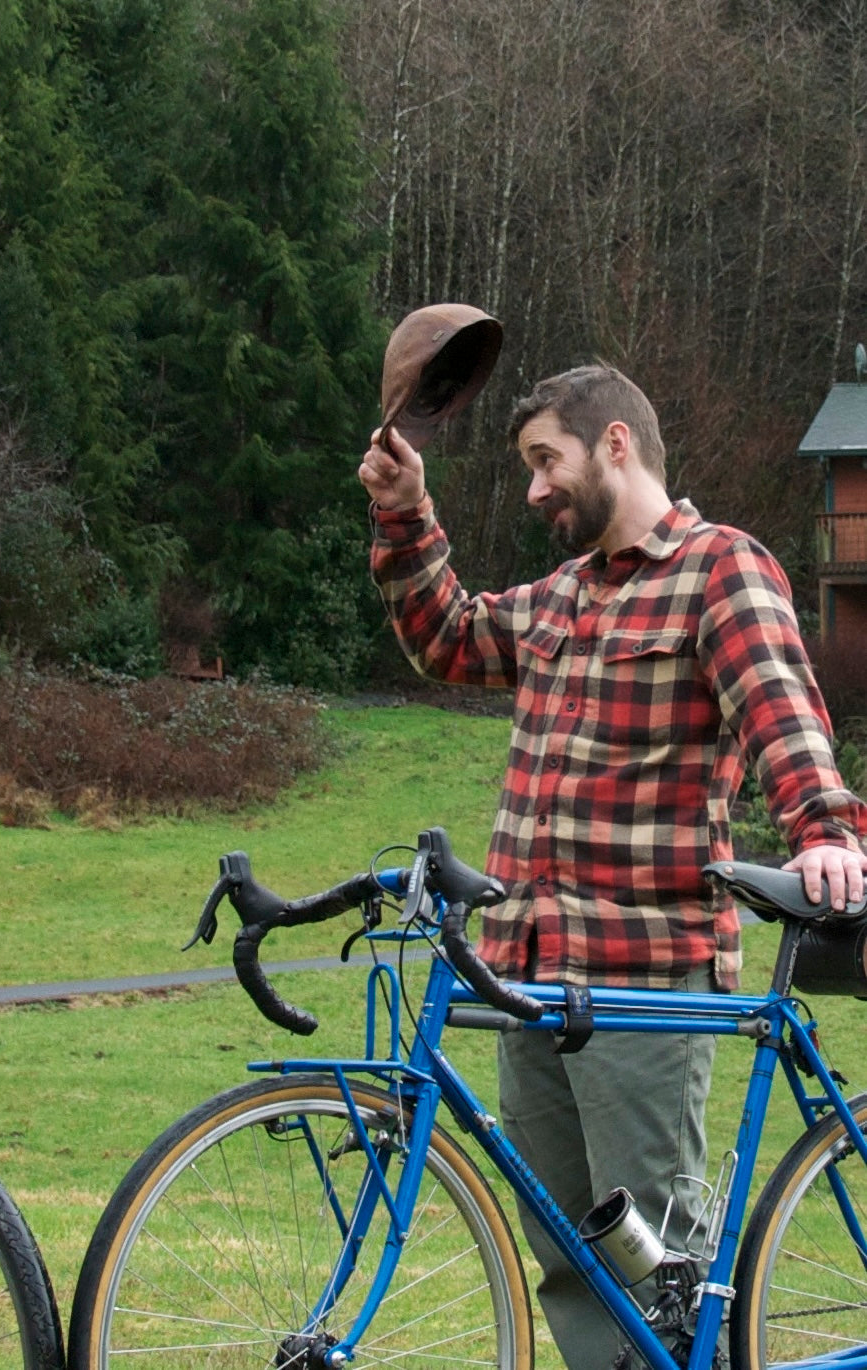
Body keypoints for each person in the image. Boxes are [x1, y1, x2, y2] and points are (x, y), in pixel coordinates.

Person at [358, 363, 867, 1368]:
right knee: (567, 1255)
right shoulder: (558, 596)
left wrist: (822, 830)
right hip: (526, 970)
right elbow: (446, 635)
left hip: (643, 973)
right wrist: (405, 511)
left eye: (546, 459)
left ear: (616, 444)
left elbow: (779, 710)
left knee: (656, 1263)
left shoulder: (717, 567)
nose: (535, 487)